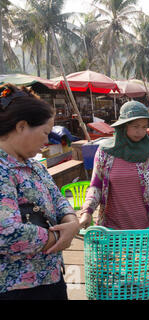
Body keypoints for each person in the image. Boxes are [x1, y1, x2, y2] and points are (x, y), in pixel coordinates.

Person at [0, 84, 80, 300]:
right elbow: (6, 232)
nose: (47, 141)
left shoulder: (35, 166)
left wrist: (72, 222)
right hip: (17, 289)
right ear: (21, 126)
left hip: (51, 278)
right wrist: (57, 236)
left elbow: (58, 199)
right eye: (45, 132)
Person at [79, 101, 149, 232]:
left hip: (147, 227)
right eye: (135, 126)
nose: (140, 132)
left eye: (144, 127)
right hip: (113, 228)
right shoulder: (105, 152)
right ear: (123, 126)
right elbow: (96, 185)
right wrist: (87, 212)